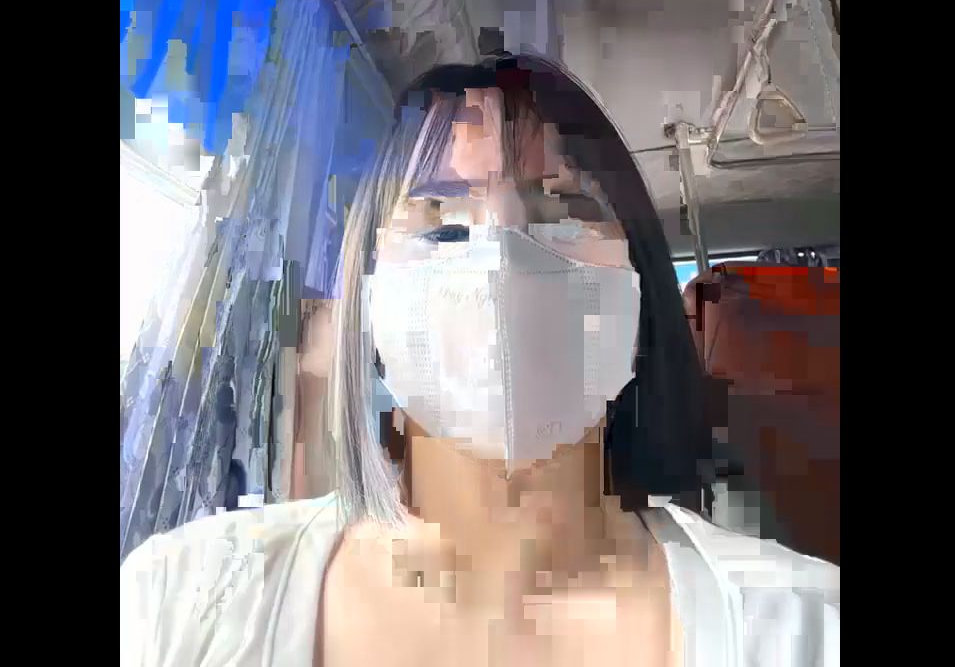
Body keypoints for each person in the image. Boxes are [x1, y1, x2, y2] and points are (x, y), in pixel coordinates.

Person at [120, 52, 839, 666]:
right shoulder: (180, 605)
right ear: (370, 302)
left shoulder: (803, 630)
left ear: (640, 291)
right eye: (440, 224)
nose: (504, 264)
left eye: (561, 211)